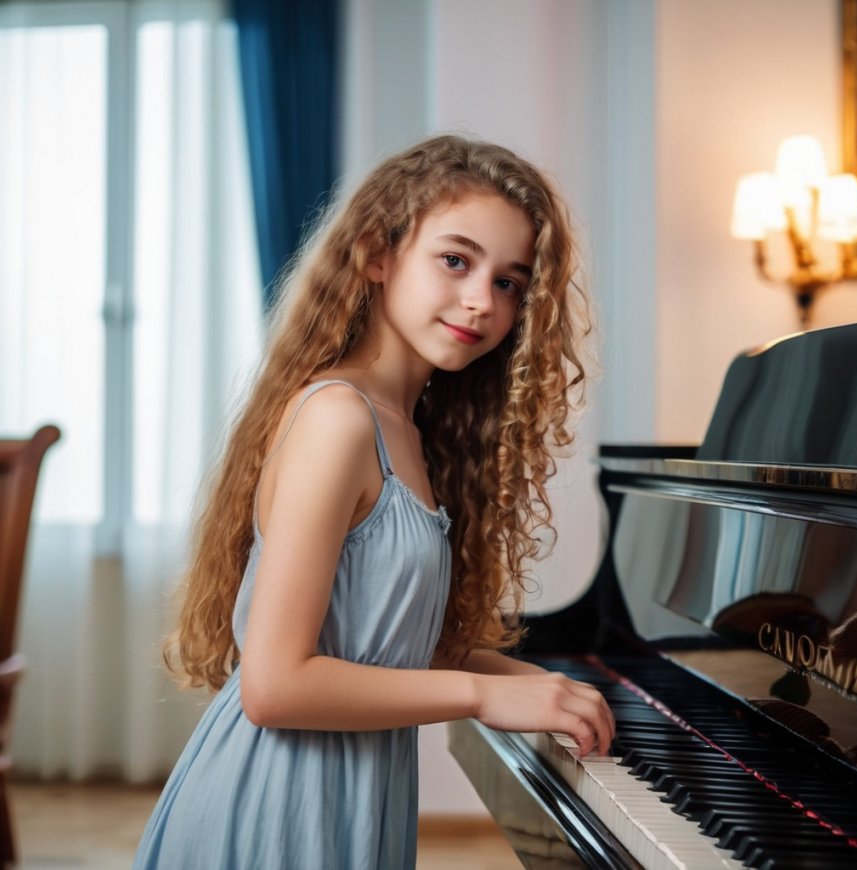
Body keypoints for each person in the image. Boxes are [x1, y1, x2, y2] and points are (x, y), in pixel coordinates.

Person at [133, 134, 615, 869]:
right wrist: (484, 699)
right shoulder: (339, 418)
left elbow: (385, 646)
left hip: (349, 802)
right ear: (377, 256)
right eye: (455, 260)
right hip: (275, 804)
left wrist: (536, 684)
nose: (482, 300)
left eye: (511, 282)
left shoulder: (411, 434)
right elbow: (275, 686)